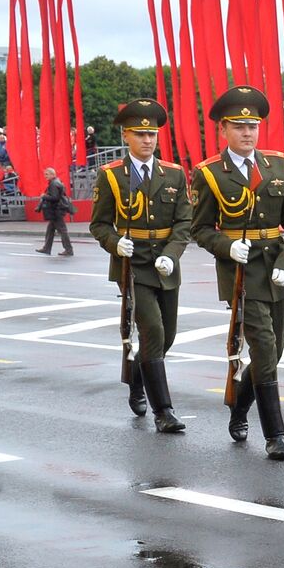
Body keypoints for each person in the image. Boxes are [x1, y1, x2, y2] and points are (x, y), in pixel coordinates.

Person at [191, 85, 284, 460]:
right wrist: (227, 246)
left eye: (253, 125)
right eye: (239, 126)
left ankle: (240, 406)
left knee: (277, 349)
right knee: (265, 349)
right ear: (223, 129)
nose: (248, 133)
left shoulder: (279, 165)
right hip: (242, 272)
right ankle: (276, 435)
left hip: (275, 270)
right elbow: (200, 228)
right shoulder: (209, 173)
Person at [88, 99, 191, 432]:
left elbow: (183, 222)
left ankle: (136, 376)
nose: (148, 140)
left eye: (152, 134)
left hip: (164, 264)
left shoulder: (174, 173)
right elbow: (99, 224)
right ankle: (164, 411)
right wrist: (116, 243)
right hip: (133, 265)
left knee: (167, 336)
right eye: (140, 134)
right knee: (154, 331)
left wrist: (172, 253)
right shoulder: (112, 176)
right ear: (126, 135)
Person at [36, 167, 76, 256]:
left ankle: (69, 250)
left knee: (62, 230)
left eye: (47, 174)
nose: (45, 176)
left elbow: (55, 198)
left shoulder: (54, 184)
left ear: (52, 174)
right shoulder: (56, 182)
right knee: (50, 230)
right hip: (56, 210)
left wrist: (44, 196)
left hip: (56, 210)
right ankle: (47, 248)